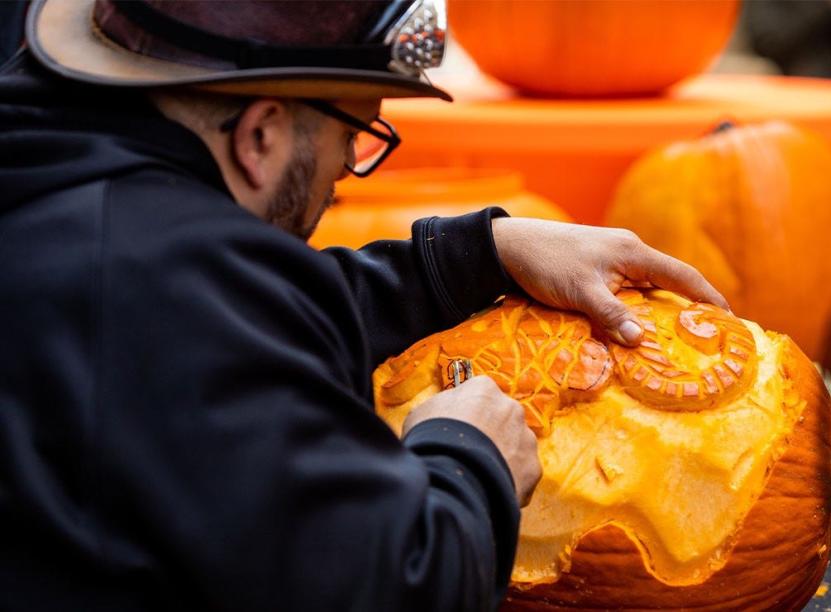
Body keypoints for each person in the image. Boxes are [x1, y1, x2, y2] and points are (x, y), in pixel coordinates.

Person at [0, 1, 726, 610]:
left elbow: (248, 322)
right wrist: (467, 455)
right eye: (352, 133)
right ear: (261, 135)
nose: (347, 171)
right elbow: (387, 584)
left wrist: (481, 252)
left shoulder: (73, 205)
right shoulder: (159, 283)